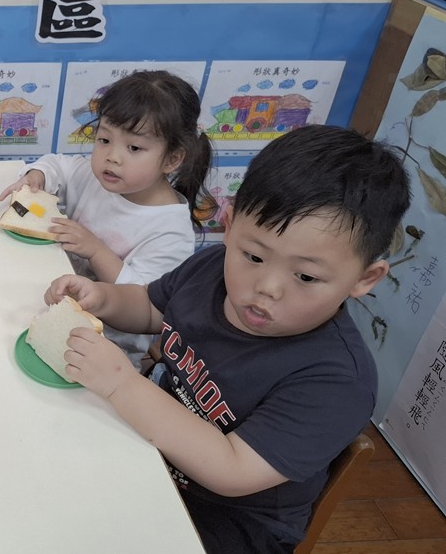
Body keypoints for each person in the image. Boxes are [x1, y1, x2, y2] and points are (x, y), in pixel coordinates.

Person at [42, 125, 411, 553]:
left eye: (306, 277)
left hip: (225, 518)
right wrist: (103, 297)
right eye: (253, 255)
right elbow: (150, 307)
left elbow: (231, 469)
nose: (266, 287)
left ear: (364, 278)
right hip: (151, 446)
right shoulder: (211, 269)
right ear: (231, 225)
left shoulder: (337, 381)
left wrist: (121, 384)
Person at [0, 70, 213, 364]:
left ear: (172, 159)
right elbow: (57, 166)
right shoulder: (98, 177)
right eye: (104, 140)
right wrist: (37, 176)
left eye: (133, 147)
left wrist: (96, 250)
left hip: (107, 349)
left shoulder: (171, 231)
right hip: (51, 306)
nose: (112, 156)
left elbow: (145, 303)